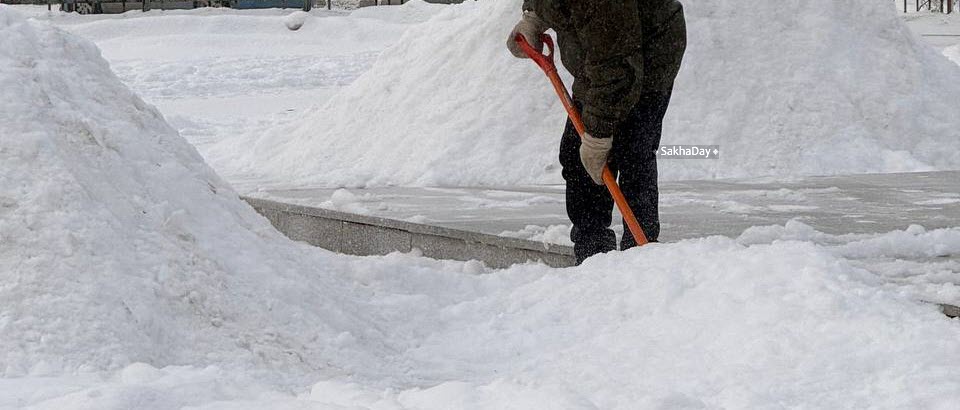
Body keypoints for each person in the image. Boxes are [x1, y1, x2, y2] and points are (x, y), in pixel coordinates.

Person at [507, 0, 687, 264]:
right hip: (602, 56)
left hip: (645, 59)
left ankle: (642, 257)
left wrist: (598, 135)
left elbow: (617, 68)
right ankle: (592, 255)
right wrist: (535, 13)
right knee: (576, 156)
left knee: (632, 153)